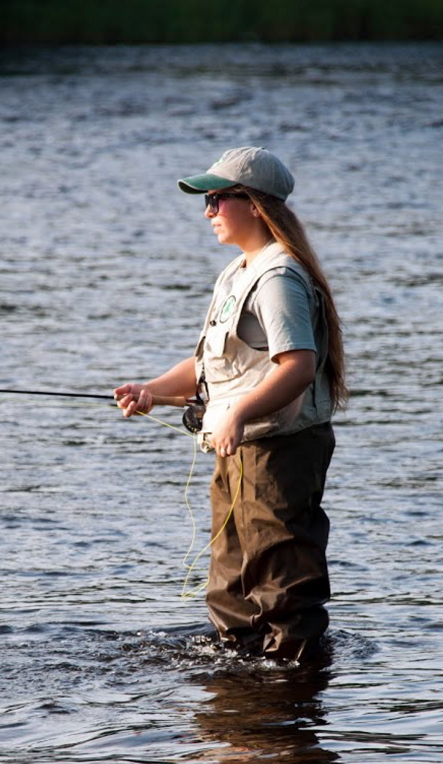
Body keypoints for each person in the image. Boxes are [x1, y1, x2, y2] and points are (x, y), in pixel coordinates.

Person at [115, 147, 347, 662]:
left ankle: (290, 692)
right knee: (230, 579)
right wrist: (150, 390)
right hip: (237, 447)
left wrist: (239, 414)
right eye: (208, 200)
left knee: (280, 578)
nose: (208, 211)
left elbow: (299, 366)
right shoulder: (237, 272)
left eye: (217, 199)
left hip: (278, 451)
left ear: (256, 205)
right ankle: (240, 693)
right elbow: (206, 366)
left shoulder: (278, 277)